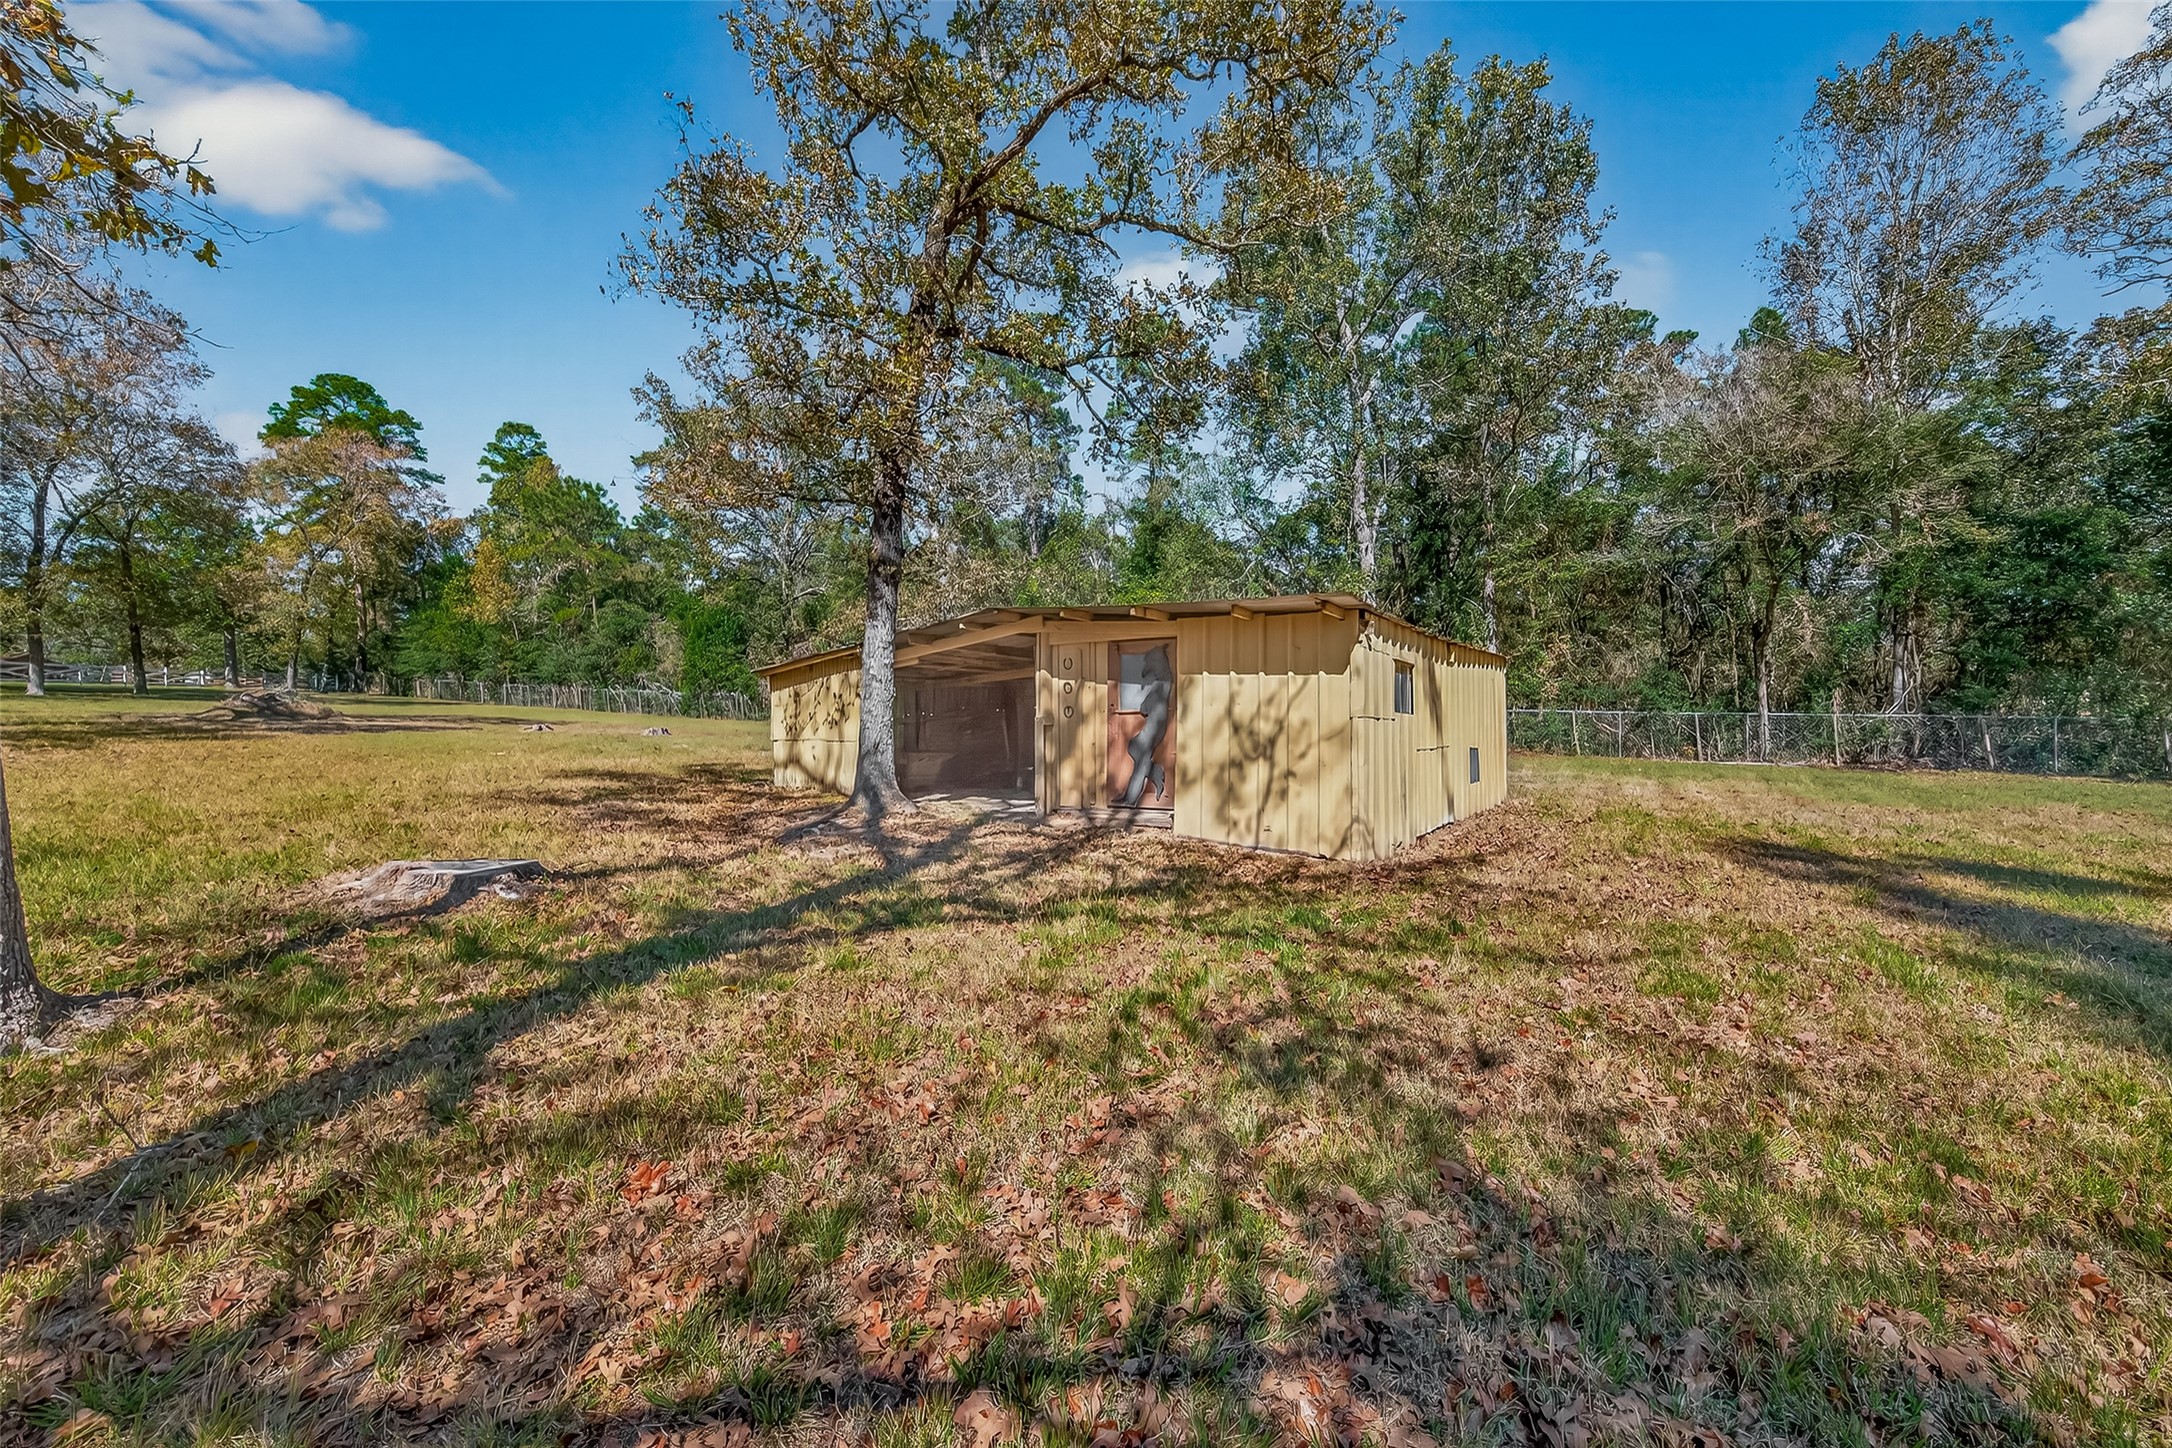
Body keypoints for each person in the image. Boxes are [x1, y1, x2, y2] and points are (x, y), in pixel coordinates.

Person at [1120, 645, 1173, 807]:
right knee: (1135, 749)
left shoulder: (1159, 685)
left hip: (1153, 728)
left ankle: (1130, 799)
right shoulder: (1166, 682)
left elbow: (1144, 707)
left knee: (1139, 758)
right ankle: (1156, 774)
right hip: (1157, 728)